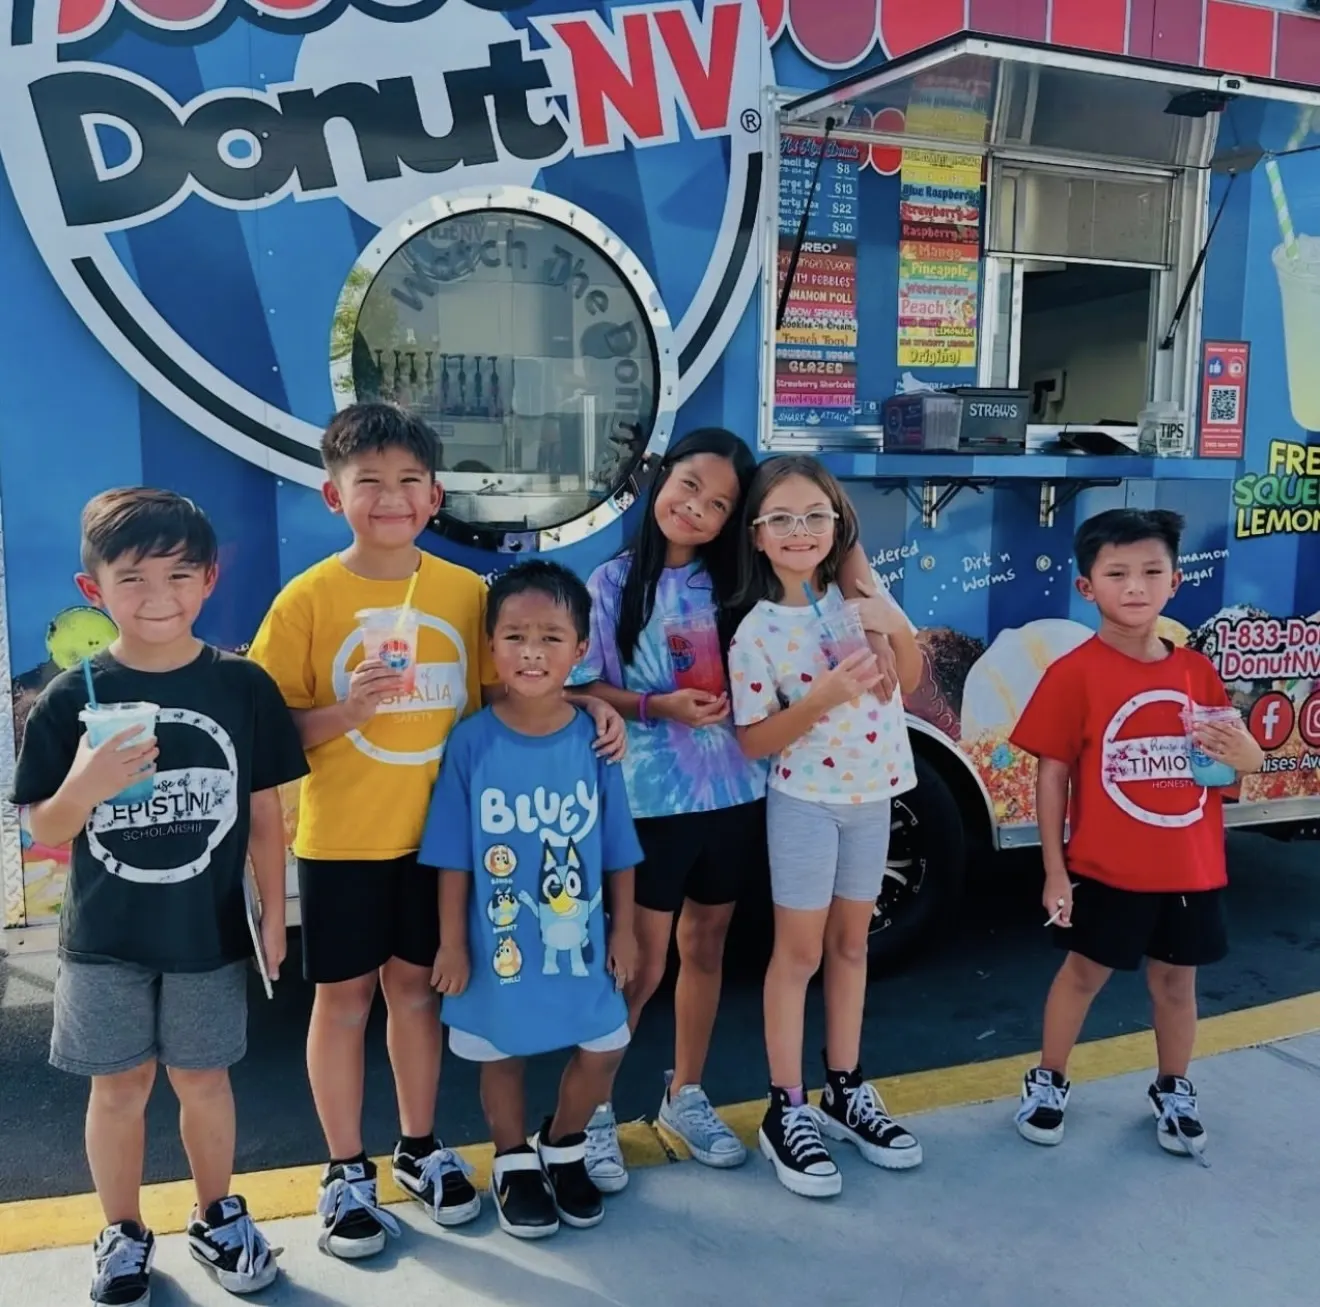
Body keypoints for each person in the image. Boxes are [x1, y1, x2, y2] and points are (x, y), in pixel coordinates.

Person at [248, 404, 623, 1260]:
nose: (391, 496)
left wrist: (591, 706)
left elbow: (511, 693)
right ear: (333, 495)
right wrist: (348, 712)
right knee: (343, 1001)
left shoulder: (462, 592)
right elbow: (268, 731)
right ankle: (346, 1168)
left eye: (409, 480)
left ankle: (418, 1144)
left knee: (416, 994)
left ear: (434, 496)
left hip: (447, 844)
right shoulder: (307, 600)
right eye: (369, 481)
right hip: (342, 839)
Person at [571, 429, 898, 1191]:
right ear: (659, 481)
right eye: (688, 485)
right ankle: (589, 1112)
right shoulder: (612, 582)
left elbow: (840, 547)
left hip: (741, 791)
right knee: (639, 964)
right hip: (651, 800)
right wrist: (656, 705)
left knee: (708, 947)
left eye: (719, 503)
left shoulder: (737, 581)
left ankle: (684, 1093)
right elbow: (580, 685)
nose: (697, 508)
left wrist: (852, 555)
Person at [12, 489, 308, 1305]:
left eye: (179, 575)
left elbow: (264, 811)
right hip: (103, 938)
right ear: (93, 588)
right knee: (118, 1088)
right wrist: (86, 782)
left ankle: (217, 1214)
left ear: (209, 579)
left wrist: (272, 915)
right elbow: (44, 826)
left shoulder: (242, 685)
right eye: (132, 578)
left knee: (204, 1081)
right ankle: (122, 1229)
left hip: (208, 933)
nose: (157, 596)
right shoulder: (71, 697)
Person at [1010, 508, 1264, 1161]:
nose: (1135, 586)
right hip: (1106, 868)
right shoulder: (1073, 673)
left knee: (1177, 985)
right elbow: (1051, 776)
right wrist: (1055, 869)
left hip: (1191, 867)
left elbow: (1232, 762)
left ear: (1175, 582)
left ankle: (1174, 1087)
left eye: (1151, 571)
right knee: (1082, 974)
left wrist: (1248, 753)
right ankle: (1049, 1077)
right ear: (1086, 586)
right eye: (1117, 573)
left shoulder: (1197, 672)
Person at [424, 561, 640, 1239]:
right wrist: (452, 943)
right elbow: (453, 854)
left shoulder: (594, 740)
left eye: (552, 637)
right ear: (491, 646)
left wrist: (625, 930)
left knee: (605, 1044)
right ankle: (513, 1159)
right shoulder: (471, 741)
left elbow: (618, 844)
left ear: (581, 650)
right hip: (496, 943)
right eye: (515, 636)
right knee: (501, 1053)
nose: (532, 652)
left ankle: (565, 1143)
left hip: (582, 939)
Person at [728, 455, 924, 1199]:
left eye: (815, 515)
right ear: (757, 534)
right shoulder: (756, 633)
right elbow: (753, 740)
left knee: (851, 945)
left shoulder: (860, 596)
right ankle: (787, 1105)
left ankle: (845, 1087)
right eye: (781, 518)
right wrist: (821, 697)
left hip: (872, 797)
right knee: (799, 953)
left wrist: (893, 625)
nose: (800, 530)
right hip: (806, 801)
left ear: (838, 524)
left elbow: (909, 680)